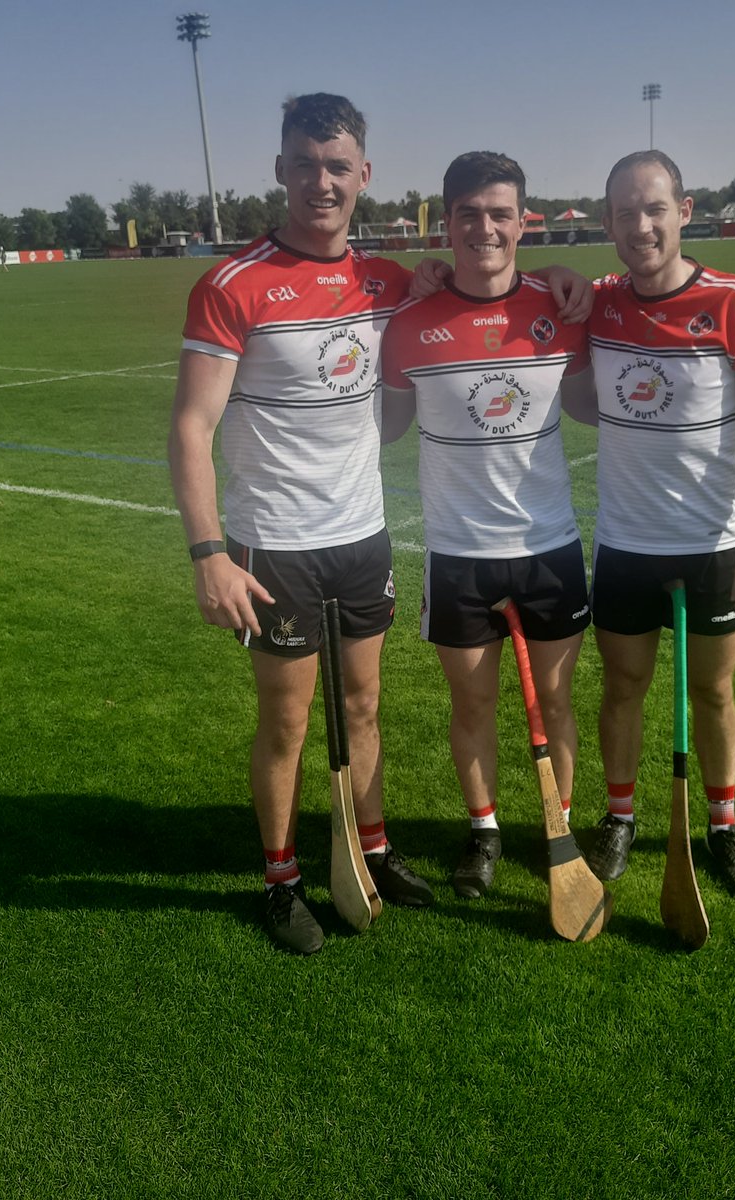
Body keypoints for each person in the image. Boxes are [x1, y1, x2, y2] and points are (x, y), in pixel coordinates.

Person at [168, 93, 441, 955]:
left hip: (363, 536)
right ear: (281, 170)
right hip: (273, 544)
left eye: (337, 166)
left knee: (363, 705)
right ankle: (281, 877)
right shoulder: (232, 285)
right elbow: (189, 427)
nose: (320, 182)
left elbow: (488, 288)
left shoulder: (390, 283)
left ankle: (374, 847)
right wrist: (209, 553)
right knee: (287, 722)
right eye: (304, 164)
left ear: (364, 174)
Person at [576, 150, 735, 899]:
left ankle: (723, 827)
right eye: (626, 213)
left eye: (655, 209)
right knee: (624, 686)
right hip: (625, 545)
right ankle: (619, 816)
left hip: (713, 548)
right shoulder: (599, 301)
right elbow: (517, 290)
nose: (641, 227)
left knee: (713, 693)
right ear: (606, 222)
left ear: (684, 210)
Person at [380, 151, 593, 901]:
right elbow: (382, 427)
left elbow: (605, 391)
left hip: (550, 548)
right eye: (468, 214)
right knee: (471, 705)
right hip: (458, 556)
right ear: (446, 221)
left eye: (500, 213)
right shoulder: (409, 322)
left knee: (559, 703)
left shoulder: (563, 308)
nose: (484, 228)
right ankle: (484, 833)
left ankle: (557, 826)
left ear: (524, 220)